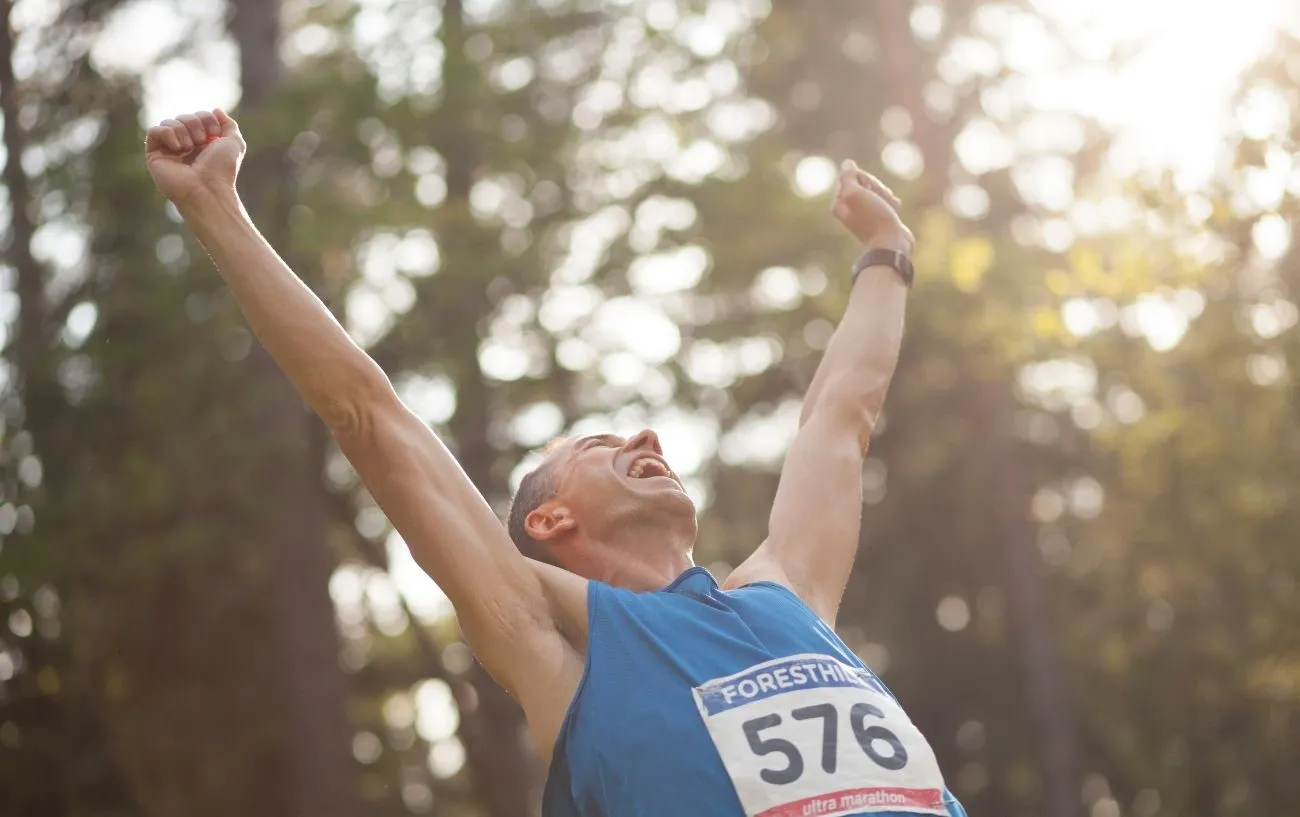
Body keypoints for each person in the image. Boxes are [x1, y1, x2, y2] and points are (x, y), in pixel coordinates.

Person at [145, 108, 967, 817]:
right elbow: (370, 416)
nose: (647, 439)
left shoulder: (789, 591)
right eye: (603, 447)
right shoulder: (552, 645)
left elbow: (838, 419)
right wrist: (213, 203)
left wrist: (887, 252)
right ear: (550, 518)